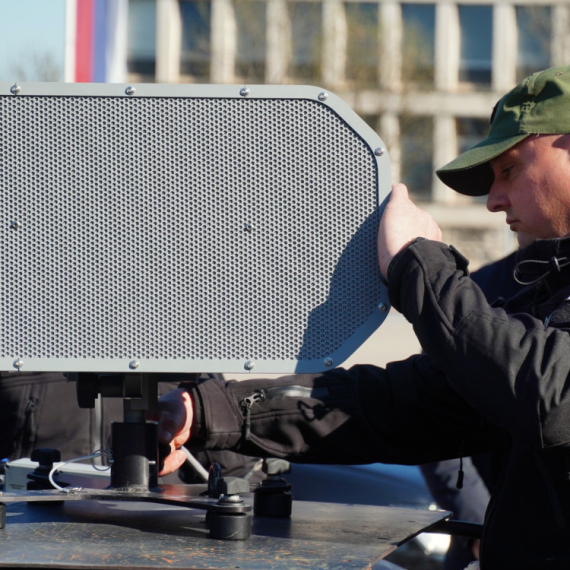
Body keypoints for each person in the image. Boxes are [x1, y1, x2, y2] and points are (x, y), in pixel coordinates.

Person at [152, 66, 570, 569]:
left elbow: (549, 395)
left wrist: (419, 265)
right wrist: (210, 411)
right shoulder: (546, 289)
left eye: (509, 169)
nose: (493, 200)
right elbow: (404, 406)